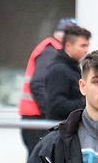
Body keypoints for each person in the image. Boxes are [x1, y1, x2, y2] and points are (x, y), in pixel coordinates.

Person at [18, 17, 78, 155]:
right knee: (40, 161)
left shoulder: (52, 51)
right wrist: (51, 112)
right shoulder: (51, 52)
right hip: (37, 118)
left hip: (36, 117)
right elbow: (37, 85)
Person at [42, 25, 92, 121]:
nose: (86, 50)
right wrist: (89, 103)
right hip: (63, 127)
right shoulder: (59, 70)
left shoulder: (73, 68)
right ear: (68, 46)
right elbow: (56, 107)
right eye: (83, 46)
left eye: (87, 46)